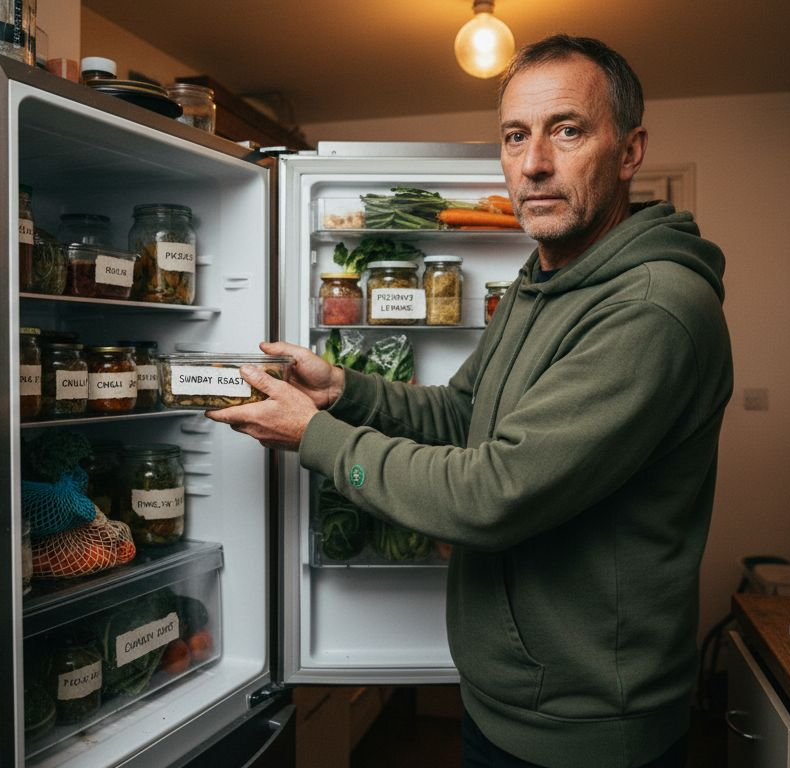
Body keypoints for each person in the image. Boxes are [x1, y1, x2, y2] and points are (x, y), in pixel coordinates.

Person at [208, 34, 733, 768]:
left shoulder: (651, 310)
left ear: (630, 150)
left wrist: (315, 437)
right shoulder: (539, 282)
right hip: (506, 699)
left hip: (585, 731)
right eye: (515, 136)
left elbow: (493, 495)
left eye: (567, 130)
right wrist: (343, 390)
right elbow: (462, 413)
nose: (534, 162)